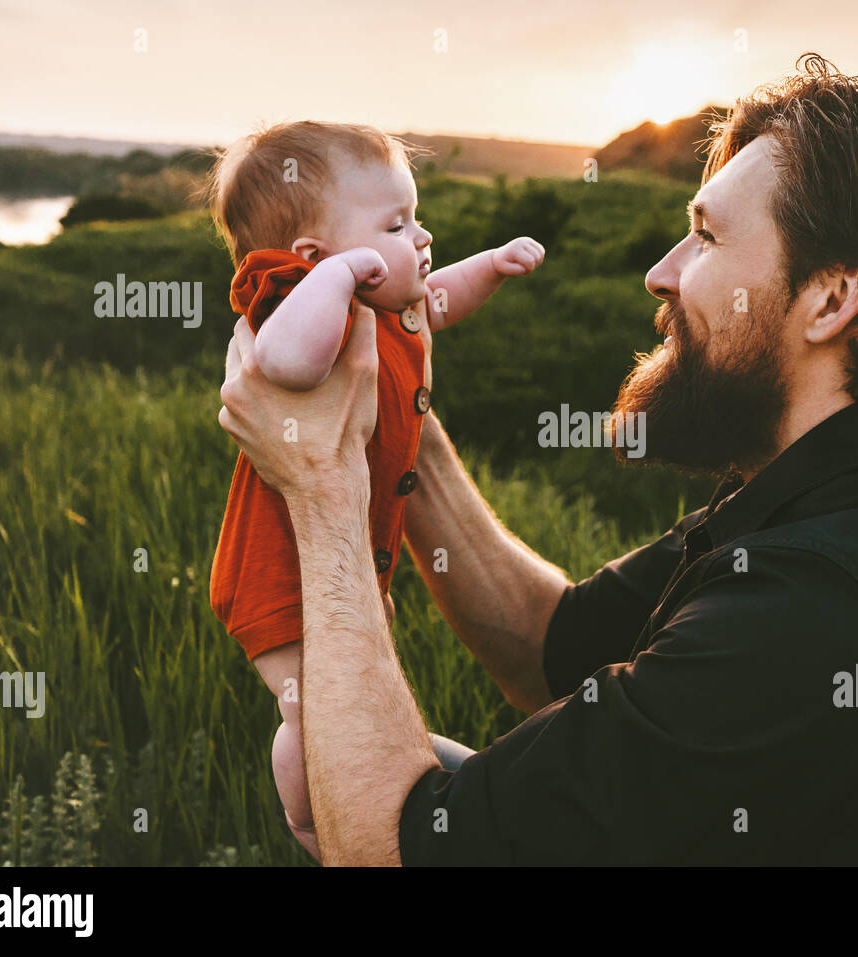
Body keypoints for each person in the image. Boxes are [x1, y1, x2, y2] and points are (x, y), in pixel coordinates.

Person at [216, 54, 858, 865]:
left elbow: (391, 854)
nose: (661, 273)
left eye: (705, 237)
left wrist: (324, 485)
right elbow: (553, 648)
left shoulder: (826, 611)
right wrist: (397, 412)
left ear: (832, 299)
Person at [204, 120, 542, 859]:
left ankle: (352, 788)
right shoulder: (295, 297)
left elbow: (440, 301)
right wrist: (338, 276)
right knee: (312, 710)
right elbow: (285, 364)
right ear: (311, 255)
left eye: (415, 217)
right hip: (279, 572)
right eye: (396, 224)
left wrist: (491, 263)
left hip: (342, 557)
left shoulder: (387, 305)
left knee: (342, 695)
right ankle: (310, 817)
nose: (421, 237)